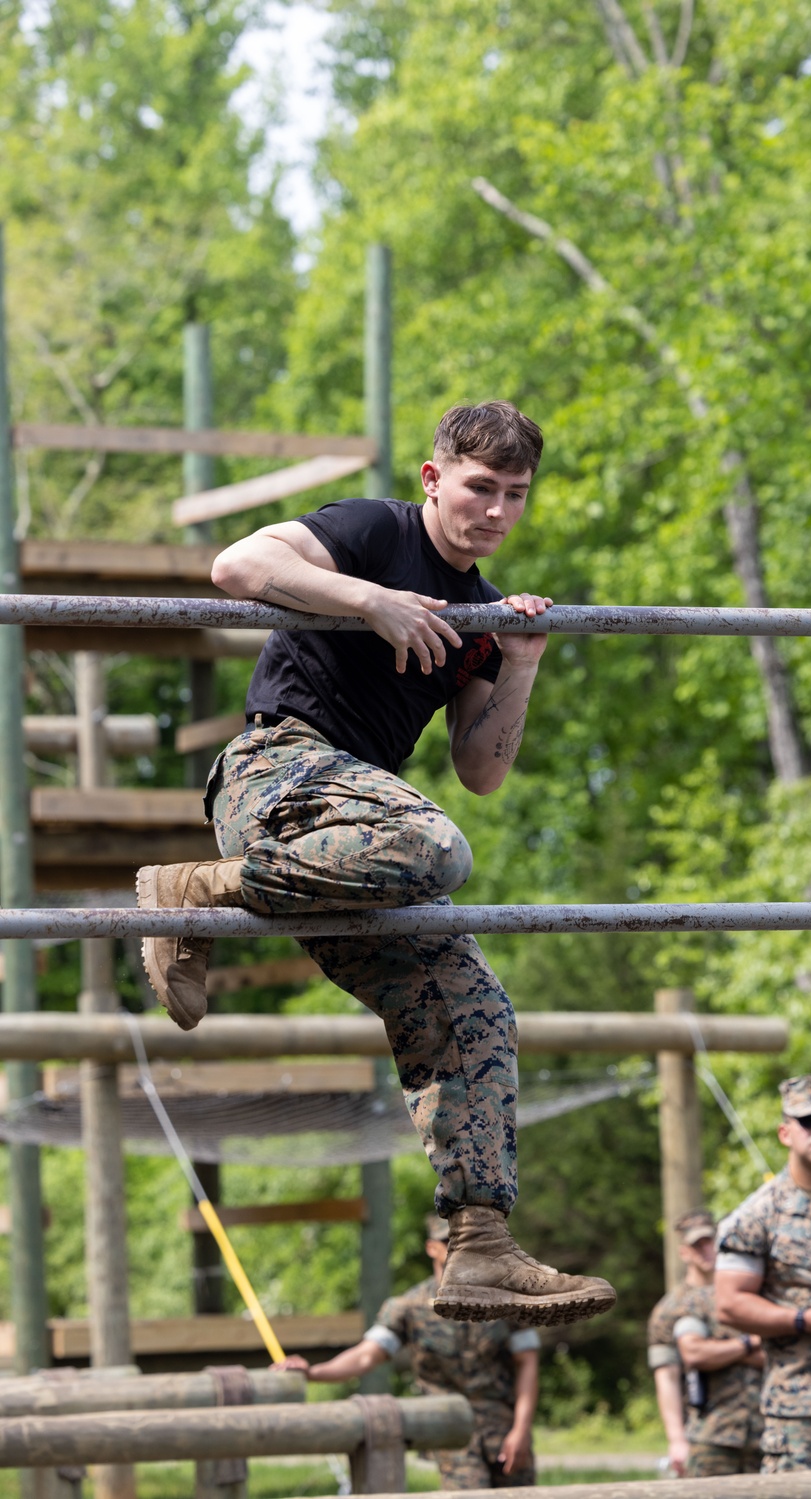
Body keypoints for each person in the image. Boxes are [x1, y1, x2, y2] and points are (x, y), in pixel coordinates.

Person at [137, 402, 615, 1328]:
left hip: (353, 842)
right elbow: (234, 566)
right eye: (481, 488)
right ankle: (191, 886)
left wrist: (519, 663)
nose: (499, 512)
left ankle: (479, 1243)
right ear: (434, 479)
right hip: (276, 773)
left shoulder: (482, 611)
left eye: (516, 495)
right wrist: (369, 598)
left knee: (472, 1000)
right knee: (435, 848)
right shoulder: (371, 530)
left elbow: (481, 771)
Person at [276, 1215, 541, 1489]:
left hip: (505, 1429)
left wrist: (521, 1429)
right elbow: (367, 1355)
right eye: (449, 1241)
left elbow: (528, 1363)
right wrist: (313, 1372)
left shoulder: (505, 1299)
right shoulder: (408, 1307)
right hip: (450, 1430)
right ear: (431, 1248)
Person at [714, 1075, 811, 1472]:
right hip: (800, 1404)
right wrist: (802, 1320)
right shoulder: (756, 1214)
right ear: (785, 1132)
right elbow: (729, 1305)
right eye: (807, 1120)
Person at [647, 1210, 764, 1477]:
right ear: (684, 1252)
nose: (707, 1250)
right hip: (709, 1434)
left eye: (711, 1241)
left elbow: (773, 1353)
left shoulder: (746, 1295)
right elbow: (668, 1376)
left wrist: (717, 1352)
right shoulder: (670, 1308)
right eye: (697, 1245)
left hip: (764, 1431)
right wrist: (676, 1440)